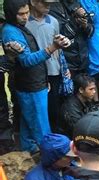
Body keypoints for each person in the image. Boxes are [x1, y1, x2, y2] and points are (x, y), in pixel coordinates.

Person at [2, 0, 70, 153]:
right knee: (42, 129)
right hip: (29, 86)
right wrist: (53, 47)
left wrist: (44, 79)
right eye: (21, 14)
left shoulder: (19, 27)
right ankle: (50, 161)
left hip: (36, 82)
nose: (25, 17)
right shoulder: (10, 31)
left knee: (28, 124)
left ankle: (29, 153)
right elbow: (26, 60)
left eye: (27, 13)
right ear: (11, 14)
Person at [26, 0, 73, 133]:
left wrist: (64, 67)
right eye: (45, 4)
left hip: (53, 69)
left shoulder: (53, 21)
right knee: (37, 108)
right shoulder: (25, 23)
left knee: (53, 106)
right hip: (34, 71)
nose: (48, 7)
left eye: (50, 4)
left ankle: (54, 135)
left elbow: (58, 47)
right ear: (34, 2)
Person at [49, 0, 94, 77]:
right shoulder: (53, 8)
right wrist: (74, 19)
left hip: (83, 59)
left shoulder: (78, 4)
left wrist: (85, 25)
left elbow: (91, 31)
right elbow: (62, 35)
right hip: (68, 62)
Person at [58, 73, 98, 138]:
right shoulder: (70, 108)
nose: (94, 92)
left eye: (94, 89)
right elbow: (79, 130)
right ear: (81, 90)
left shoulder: (88, 100)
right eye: (91, 89)